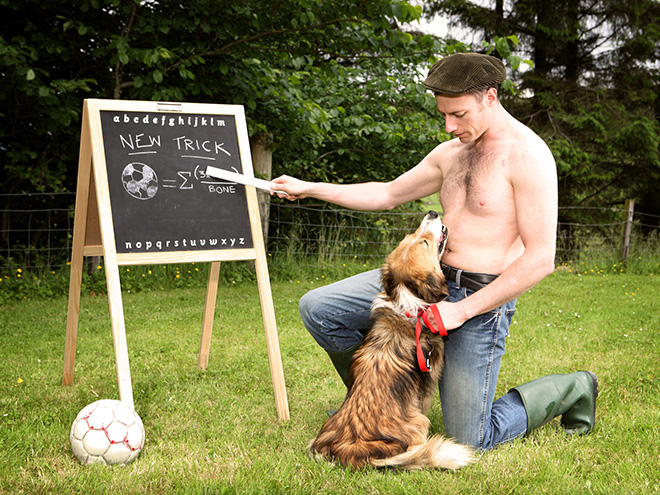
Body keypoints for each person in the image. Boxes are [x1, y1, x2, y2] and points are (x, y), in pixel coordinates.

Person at [270, 52, 598, 452]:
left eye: (458, 114)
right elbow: (388, 193)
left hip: (478, 298)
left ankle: (574, 388)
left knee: (468, 438)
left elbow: (540, 259)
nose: (449, 125)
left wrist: (459, 310)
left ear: (490, 97)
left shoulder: (528, 157)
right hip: (426, 284)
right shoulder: (450, 154)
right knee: (320, 308)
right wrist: (310, 187)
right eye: (443, 114)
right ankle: (378, 407)